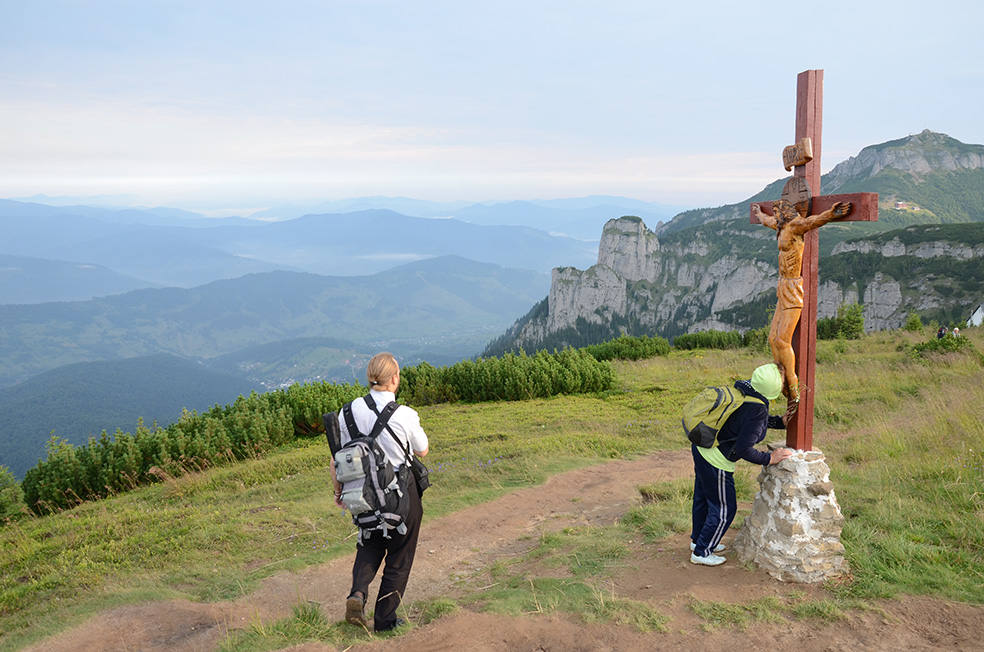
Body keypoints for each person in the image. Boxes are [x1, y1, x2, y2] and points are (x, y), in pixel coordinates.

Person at [330, 352, 429, 632]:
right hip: (400, 493)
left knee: (370, 542)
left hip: (362, 491)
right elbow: (422, 450)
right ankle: (384, 621)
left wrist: (338, 488)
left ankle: (357, 593)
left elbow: (338, 456)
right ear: (394, 378)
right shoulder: (404, 414)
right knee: (399, 555)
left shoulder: (347, 411)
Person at [752, 181, 851, 404]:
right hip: (782, 284)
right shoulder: (781, 226)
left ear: (786, 212)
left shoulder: (796, 226)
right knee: (771, 339)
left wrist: (831, 214)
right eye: (775, 212)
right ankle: (781, 380)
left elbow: (813, 221)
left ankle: (792, 383)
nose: (775, 215)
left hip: (794, 286)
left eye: (778, 211)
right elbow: (767, 220)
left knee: (782, 340)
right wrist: (759, 213)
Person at [690, 363, 794, 566]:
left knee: (704, 498)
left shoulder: (745, 390)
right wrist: (769, 459)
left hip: (702, 447)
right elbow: (745, 448)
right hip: (716, 460)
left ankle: (699, 541)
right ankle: (702, 552)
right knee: (724, 508)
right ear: (773, 389)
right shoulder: (758, 410)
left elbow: (744, 421)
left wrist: (779, 422)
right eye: (782, 382)